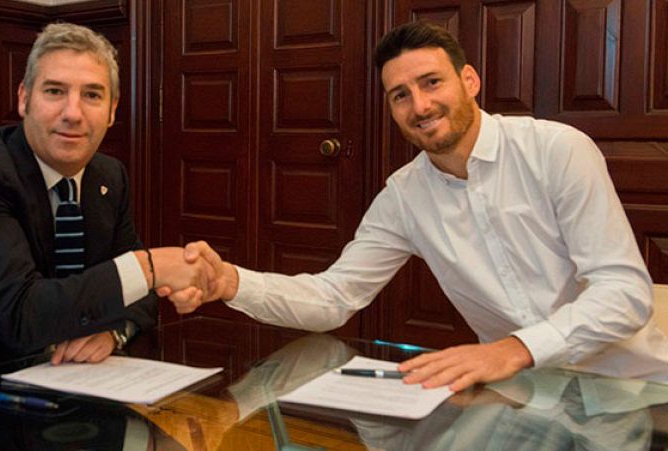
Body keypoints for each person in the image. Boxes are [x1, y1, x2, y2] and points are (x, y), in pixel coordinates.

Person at [161, 21, 668, 391]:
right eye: (400, 95)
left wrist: (514, 349)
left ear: (469, 81)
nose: (420, 106)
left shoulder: (556, 150)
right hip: (522, 398)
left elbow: (623, 292)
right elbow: (335, 298)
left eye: (431, 82)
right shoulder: (404, 196)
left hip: (632, 388)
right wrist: (231, 282)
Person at [0, 23, 217, 392]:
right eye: (54, 91)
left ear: (112, 110)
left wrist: (113, 331)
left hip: (44, 385)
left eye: (92, 95)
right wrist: (152, 267)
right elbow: (23, 314)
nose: (73, 113)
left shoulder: (109, 176)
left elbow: (138, 297)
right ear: (24, 99)